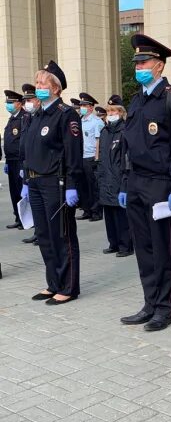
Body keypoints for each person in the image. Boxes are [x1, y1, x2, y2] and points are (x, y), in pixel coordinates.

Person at [119, 33, 171, 331]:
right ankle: (150, 302)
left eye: (145, 62)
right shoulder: (137, 100)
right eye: (136, 62)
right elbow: (129, 145)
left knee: (164, 249)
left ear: (159, 66)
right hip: (137, 182)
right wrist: (125, 183)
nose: (139, 67)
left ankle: (165, 307)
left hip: (162, 184)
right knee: (144, 249)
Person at [23, 60, 83, 304]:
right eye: (37, 82)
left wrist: (71, 184)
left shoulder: (65, 115)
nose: (38, 87)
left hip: (55, 183)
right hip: (36, 183)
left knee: (62, 235)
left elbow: (72, 153)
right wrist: (26, 178)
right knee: (45, 235)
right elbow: (29, 149)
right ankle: (53, 282)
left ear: (56, 88)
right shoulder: (37, 115)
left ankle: (68, 287)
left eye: (42, 83)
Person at [98, 94, 133, 257]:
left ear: (121, 112)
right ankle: (113, 243)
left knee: (121, 216)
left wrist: (124, 182)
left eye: (114, 111)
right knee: (109, 215)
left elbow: (127, 159)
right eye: (109, 111)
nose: (111, 114)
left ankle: (125, 246)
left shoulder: (125, 131)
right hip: (105, 179)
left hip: (119, 179)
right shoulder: (104, 131)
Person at [76, 93, 104, 222]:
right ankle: (87, 210)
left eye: (84, 105)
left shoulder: (96, 122)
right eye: (81, 105)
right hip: (81, 157)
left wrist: (97, 157)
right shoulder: (79, 121)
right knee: (83, 186)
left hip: (91, 157)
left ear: (91, 108)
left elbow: (99, 140)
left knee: (94, 187)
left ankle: (96, 212)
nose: (82, 107)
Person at [3, 90, 28, 229]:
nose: (8, 105)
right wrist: (6, 161)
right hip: (11, 160)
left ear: (19, 103)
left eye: (11, 103)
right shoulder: (12, 118)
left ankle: (26, 220)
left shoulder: (24, 117)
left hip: (20, 160)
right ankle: (18, 217)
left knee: (21, 190)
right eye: (7, 103)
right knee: (14, 191)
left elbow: (23, 141)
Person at [20, 84, 41, 246]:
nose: (27, 103)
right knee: (34, 203)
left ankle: (43, 234)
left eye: (30, 99)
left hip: (40, 168)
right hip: (27, 165)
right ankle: (38, 231)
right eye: (25, 100)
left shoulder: (40, 116)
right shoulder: (27, 117)